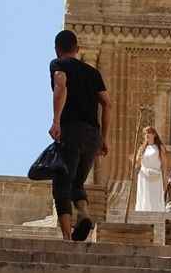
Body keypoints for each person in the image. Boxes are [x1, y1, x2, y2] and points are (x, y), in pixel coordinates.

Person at [49, 30, 111, 241]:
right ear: (77, 49)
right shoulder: (93, 72)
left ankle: (67, 236)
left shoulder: (58, 65)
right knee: (77, 182)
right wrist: (103, 137)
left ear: (57, 49)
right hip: (92, 136)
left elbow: (61, 85)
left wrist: (56, 120)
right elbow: (107, 103)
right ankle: (83, 214)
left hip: (72, 131)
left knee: (61, 182)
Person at [135, 126, 168, 212]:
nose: (147, 135)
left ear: (154, 134)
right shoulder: (142, 148)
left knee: (154, 200)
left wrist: (165, 181)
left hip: (156, 177)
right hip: (143, 177)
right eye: (145, 133)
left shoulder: (160, 147)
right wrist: (137, 157)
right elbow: (137, 163)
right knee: (144, 199)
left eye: (149, 132)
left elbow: (164, 165)